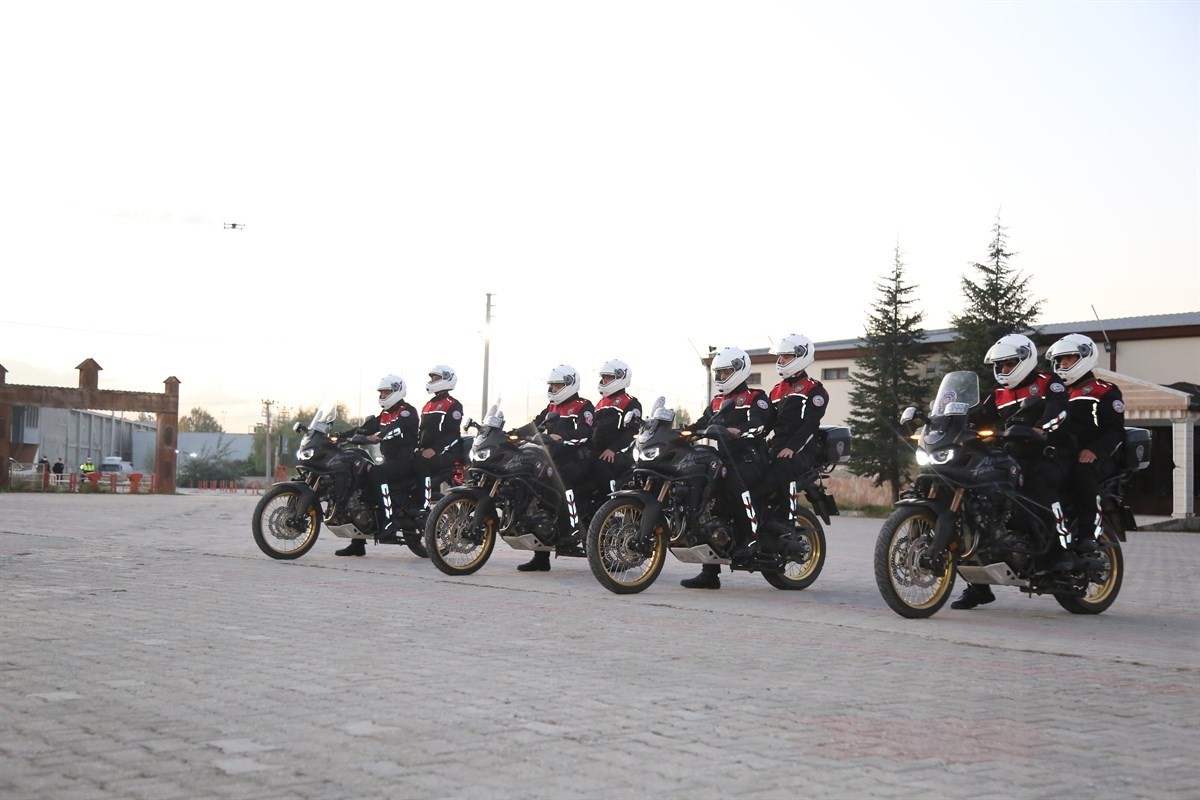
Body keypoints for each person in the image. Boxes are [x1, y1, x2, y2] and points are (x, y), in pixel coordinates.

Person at [951, 333, 1071, 610]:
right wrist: (941, 422)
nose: (1004, 370)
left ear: (1025, 360)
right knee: (972, 510)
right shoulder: (999, 393)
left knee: (1035, 494)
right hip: (1008, 455)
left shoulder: (1047, 383)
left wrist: (1040, 429)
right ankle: (978, 586)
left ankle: (1057, 555)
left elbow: (1059, 411)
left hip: (1042, 454)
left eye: (1009, 364)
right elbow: (976, 415)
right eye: (1001, 365)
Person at [678, 346, 772, 590]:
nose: (721, 378)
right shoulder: (718, 401)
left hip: (751, 458)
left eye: (725, 372)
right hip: (724, 459)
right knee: (710, 502)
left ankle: (752, 539)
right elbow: (701, 423)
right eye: (718, 374)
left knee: (732, 484)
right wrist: (680, 433)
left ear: (740, 370)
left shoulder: (756, 397)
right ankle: (710, 572)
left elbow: (762, 426)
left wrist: (741, 432)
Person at [1045, 333, 1126, 555]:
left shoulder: (1104, 390)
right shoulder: (1056, 393)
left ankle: (1088, 535)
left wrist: (1094, 451)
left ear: (1085, 357)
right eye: (1060, 360)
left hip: (1097, 455)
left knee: (1082, 474)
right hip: (1064, 453)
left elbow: (1115, 430)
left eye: (1068, 358)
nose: (1062, 364)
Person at [514, 364, 595, 572]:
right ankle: (541, 557)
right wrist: (512, 433)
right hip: (553, 461)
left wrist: (562, 438)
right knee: (537, 493)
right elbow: (536, 424)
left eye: (557, 385)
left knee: (562, 486)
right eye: (552, 385)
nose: (553, 389)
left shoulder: (582, 406)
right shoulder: (551, 407)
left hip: (577, 461)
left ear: (569, 383)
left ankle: (572, 531)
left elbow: (586, 433)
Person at [334, 374, 420, 557]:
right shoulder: (385, 414)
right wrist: (340, 436)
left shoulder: (407, 412)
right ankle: (358, 542)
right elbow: (365, 428)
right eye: (381, 392)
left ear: (397, 391)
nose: (382, 395)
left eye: (386, 392)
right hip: (390, 461)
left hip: (407, 461)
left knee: (377, 473)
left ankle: (390, 521)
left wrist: (378, 436)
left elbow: (391, 429)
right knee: (360, 483)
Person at [765, 334, 829, 513]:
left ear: (801, 356)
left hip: (804, 449)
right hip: (777, 446)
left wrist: (793, 447)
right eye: (780, 356)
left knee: (782, 469)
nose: (781, 360)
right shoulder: (776, 390)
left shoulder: (814, 389)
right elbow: (766, 424)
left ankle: (788, 518)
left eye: (786, 356)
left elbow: (811, 423)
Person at [591, 359, 642, 497]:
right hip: (599, 451)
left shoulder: (631, 403)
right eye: (604, 377)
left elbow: (632, 431)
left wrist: (613, 449)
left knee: (602, 466)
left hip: (621, 452)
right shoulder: (600, 404)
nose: (605, 380)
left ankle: (612, 507)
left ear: (621, 377)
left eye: (609, 377)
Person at [416, 365, 464, 508]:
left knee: (420, 465)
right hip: (426, 451)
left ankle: (424, 505)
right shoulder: (428, 405)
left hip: (446, 453)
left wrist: (435, 450)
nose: (432, 381)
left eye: (436, 378)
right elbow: (422, 431)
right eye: (431, 378)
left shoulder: (453, 405)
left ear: (447, 379)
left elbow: (453, 434)